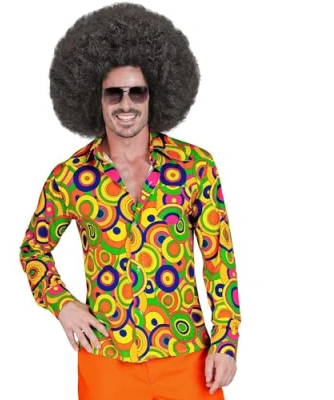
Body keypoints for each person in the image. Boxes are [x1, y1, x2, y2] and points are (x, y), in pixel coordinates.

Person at [19, 3, 241, 399]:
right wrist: (63, 304)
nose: (126, 104)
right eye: (113, 93)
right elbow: (33, 250)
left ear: (155, 94)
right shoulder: (69, 177)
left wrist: (226, 342)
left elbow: (218, 260)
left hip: (187, 356)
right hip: (107, 358)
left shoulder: (195, 166)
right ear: (95, 98)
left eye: (137, 91)